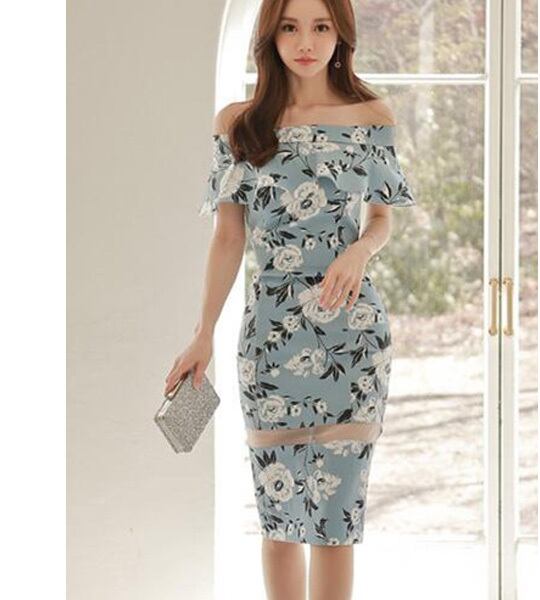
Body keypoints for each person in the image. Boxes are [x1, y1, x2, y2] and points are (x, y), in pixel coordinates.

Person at [164, 0, 416, 598]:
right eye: (290, 27)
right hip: (270, 339)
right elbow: (229, 237)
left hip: (354, 336)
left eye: (321, 27)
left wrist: (359, 251)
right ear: (270, 36)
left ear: (340, 34)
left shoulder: (371, 116)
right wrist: (203, 334)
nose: (306, 42)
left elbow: (381, 219)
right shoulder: (239, 124)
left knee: (335, 522)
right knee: (278, 521)